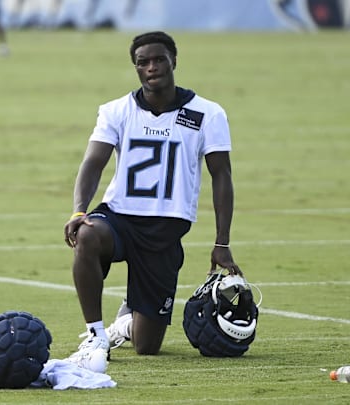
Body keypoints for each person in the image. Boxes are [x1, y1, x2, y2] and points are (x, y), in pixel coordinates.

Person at [63, 31, 243, 373]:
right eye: (142, 62)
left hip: (164, 231)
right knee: (86, 235)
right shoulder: (116, 110)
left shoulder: (208, 113)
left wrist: (222, 242)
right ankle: (96, 335)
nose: (151, 67)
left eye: (158, 59)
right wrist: (79, 210)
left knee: (147, 347)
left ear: (174, 60)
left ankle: (125, 321)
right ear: (135, 68)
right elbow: (93, 163)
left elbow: (222, 175)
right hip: (118, 218)